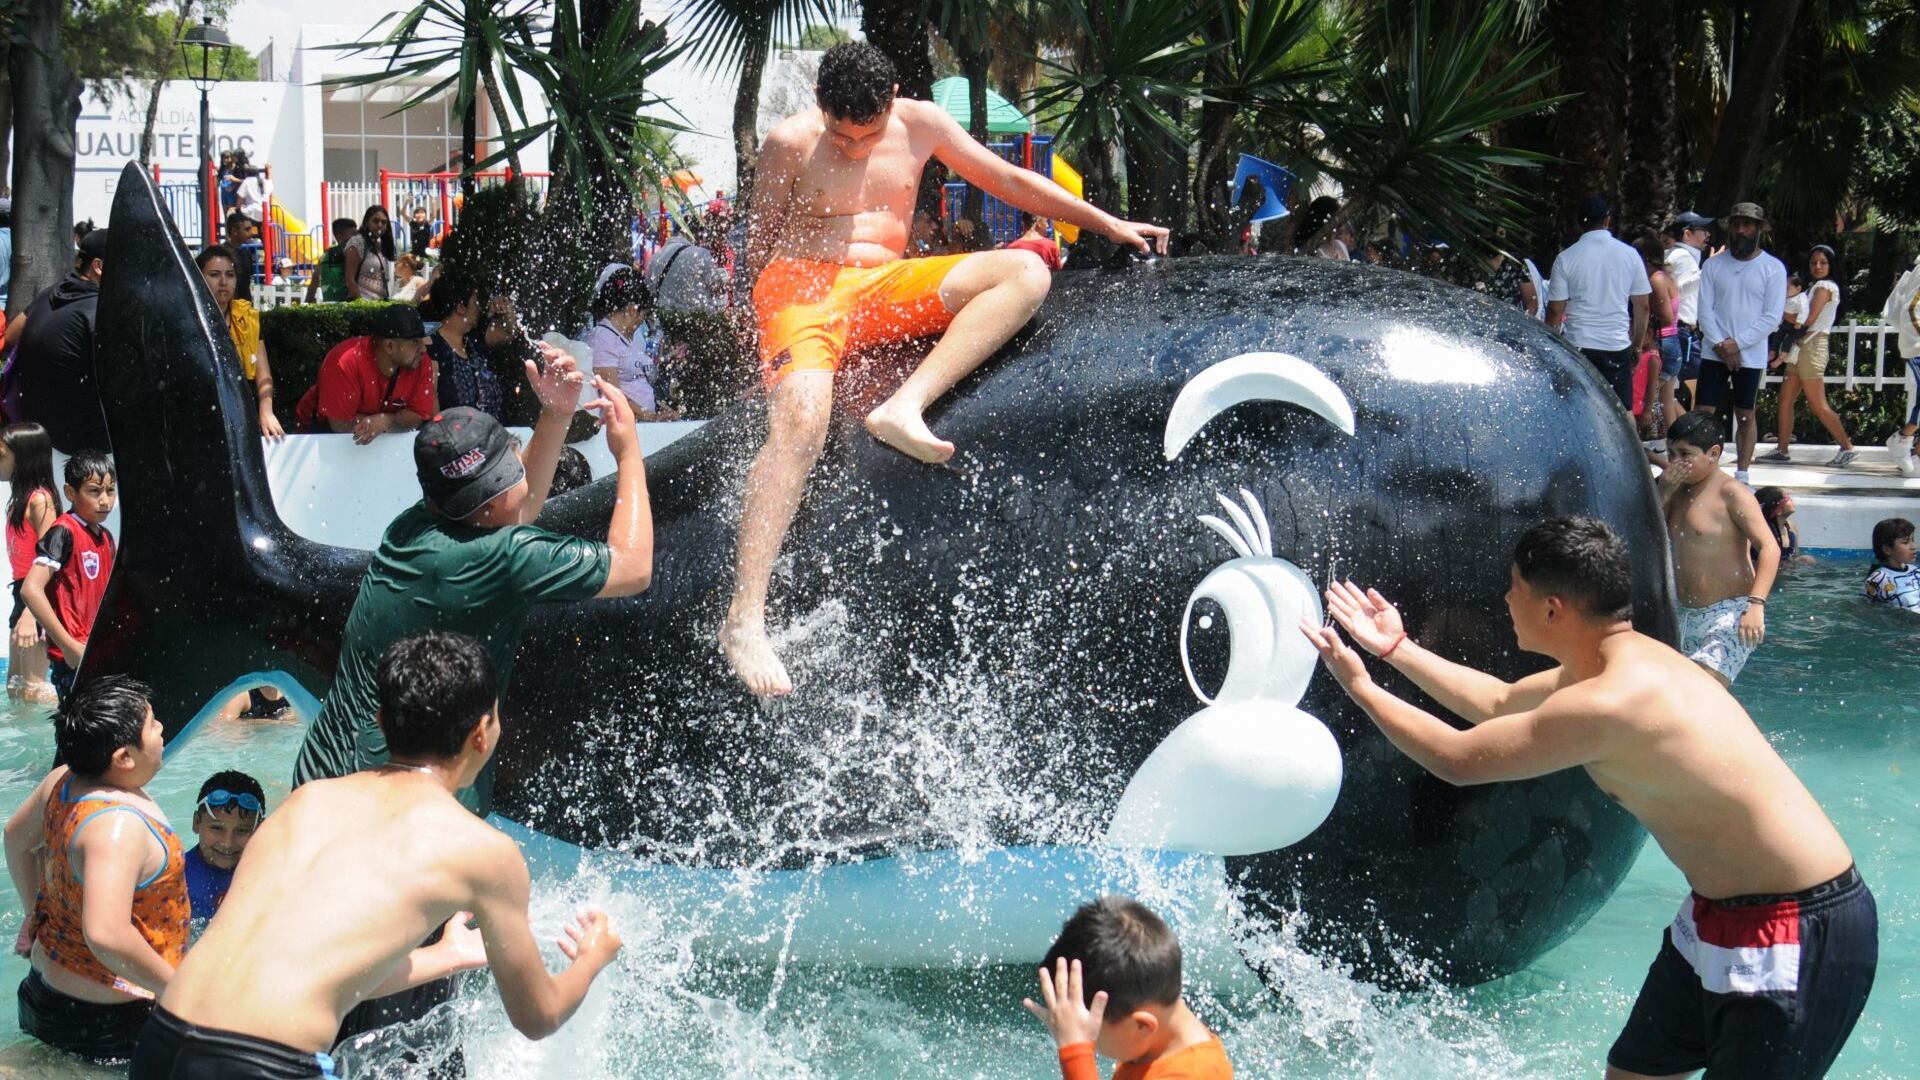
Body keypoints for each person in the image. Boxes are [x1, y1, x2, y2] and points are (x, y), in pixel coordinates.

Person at [1302, 517, 1876, 1080]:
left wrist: (1359, 688)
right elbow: (1501, 704)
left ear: (1553, 610)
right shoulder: (1617, 664)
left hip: (1796, 926)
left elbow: (1457, 759)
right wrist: (1396, 649)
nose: (1505, 598)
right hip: (1719, 913)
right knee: (1634, 1072)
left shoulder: (1613, 700)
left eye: (1515, 588)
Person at [723, 40, 1167, 696]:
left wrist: (1105, 223)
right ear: (820, 107)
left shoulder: (923, 122)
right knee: (803, 423)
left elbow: (1009, 181)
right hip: (802, 289)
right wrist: (754, 333)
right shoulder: (789, 141)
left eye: (865, 135)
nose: (851, 148)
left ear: (893, 98)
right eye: (840, 137)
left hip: (884, 285)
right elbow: (759, 240)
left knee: (1023, 269)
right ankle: (743, 620)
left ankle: (904, 404)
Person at [135, 632, 623, 1078]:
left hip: (163, 1037)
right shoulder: (483, 849)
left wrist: (447, 955)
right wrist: (591, 959)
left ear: (381, 721)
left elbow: (320, 969)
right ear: (483, 732)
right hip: (266, 1063)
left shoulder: (309, 801)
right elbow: (537, 1017)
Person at [290, 353, 653, 817]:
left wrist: (557, 412)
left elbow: (519, 511)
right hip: (395, 807)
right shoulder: (502, 556)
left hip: (324, 785)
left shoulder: (413, 527)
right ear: (489, 502)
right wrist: (628, 452)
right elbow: (632, 566)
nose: (522, 475)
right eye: (512, 469)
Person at [4, 677, 188, 1063]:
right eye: (152, 724)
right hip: (104, 1027)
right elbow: (105, 934)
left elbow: (15, 838)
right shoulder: (116, 826)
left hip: (44, 993)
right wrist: (180, 991)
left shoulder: (63, 781)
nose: (162, 730)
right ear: (123, 757)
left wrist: (32, 911)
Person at [1022, 896, 1232, 1080]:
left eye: (1093, 1038)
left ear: (1142, 1026)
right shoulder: (1157, 1042)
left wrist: (1075, 1051)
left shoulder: (1191, 1074)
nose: (1092, 1045)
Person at [1659, 413, 1779, 685]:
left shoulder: (1731, 493)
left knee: (1701, 693)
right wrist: (1663, 493)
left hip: (1729, 614)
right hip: (1682, 614)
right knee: (1679, 702)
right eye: (1671, 453)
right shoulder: (1672, 490)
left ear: (1713, 453)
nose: (1675, 462)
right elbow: (1647, 536)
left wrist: (1756, 605)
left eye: (1685, 454)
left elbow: (1770, 548)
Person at [1697, 202, 1788, 484]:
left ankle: (1743, 472)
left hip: (1749, 353)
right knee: (1704, 412)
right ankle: (1702, 468)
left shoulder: (1773, 268)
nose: (1740, 230)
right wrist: (1721, 344)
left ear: (1759, 229)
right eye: (1736, 224)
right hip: (1715, 351)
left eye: (1747, 225)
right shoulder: (1713, 265)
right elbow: (1704, 311)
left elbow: (1772, 317)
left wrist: (1737, 344)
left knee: (1746, 414)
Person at [20, 451, 118, 705]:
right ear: (70, 493)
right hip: (73, 659)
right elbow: (30, 589)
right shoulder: (63, 532)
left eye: (110, 491)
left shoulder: (106, 538)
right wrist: (68, 647)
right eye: (95, 491)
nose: (105, 500)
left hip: (98, 654)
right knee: (78, 734)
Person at [1546, 197, 1652, 410]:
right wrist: (1637, 346)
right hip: (1615, 344)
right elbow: (1643, 307)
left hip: (1578, 344)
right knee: (1621, 411)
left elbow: (1556, 311)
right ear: (1607, 220)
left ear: (1580, 224)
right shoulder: (1629, 255)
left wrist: (1551, 345)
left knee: (1578, 408)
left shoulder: (1566, 258)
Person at [14, 229, 111, 454]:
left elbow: (10, 335)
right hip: (86, 450)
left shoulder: (50, 294)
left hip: (39, 434)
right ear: (99, 266)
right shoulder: (102, 311)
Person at [1763, 245, 1857, 466]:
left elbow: (1807, 320)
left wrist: (1774, 309)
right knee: (1785, 399)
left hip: (1812, 347)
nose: (1817, 266)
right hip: (1800, 347)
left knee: (1817, 404)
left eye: (1823, 262)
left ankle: (1847, 447)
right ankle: (1782, 449)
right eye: (1814, 262)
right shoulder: (1815, 286)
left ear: (1830, 265)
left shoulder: (1825, 286)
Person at [292, 304, 436, 441]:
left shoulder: (420, 361)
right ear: (390, 346)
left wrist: (385, 421)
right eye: (415, 342)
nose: (423, 349)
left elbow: (417, 416)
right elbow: (340, 424)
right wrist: (386, 421)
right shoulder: (346, 361)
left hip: (373, 434)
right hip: (316, 434)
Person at [197, 245, 287, 440]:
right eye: (214, 275)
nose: (223, 282)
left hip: (238, 408)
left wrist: (266, 410)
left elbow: (263, 373)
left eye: (230, 275)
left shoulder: (246, 317)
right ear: (198, 279)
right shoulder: (189, 320)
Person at [2, 422, 61, 704]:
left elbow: (51, 557)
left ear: (24, 459)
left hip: (39, 596)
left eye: (2, 456)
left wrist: (31, 612)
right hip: (22, 593)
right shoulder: (18, 502)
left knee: (35, 689)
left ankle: (72, 721)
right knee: (14, 686)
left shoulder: (40, 502)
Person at [584, 265, 677, 421]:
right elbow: (611, 392)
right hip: (621, 426)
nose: (641, 322)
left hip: (640, 423)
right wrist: (651, 416)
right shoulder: (603, 338)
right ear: (633, 310)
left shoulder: (626, 337)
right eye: (643, 315)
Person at [183, 771, 265, 928]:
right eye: (217, 828)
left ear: (260, 829)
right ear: (196, 822)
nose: (228, 843)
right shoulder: (176, 877)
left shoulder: (267, 875)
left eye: (242, 831)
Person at [421, 281, 507, 424]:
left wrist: (506, 310)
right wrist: (446, 436)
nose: (480, 308)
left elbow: (508, 333)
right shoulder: (432, 345)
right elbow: (430, 401)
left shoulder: (473, 340)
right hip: (457, 438)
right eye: (476, 303)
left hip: (493, 435)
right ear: (461, 308)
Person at [1632, 233, 1680, 451]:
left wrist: (1643, 317)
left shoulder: (1656, 280)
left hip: (1664, 343)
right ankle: (1681, 443)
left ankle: (1672, 448)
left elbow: (1667, 317)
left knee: (1656, 399)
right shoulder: (1662, 277)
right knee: (1667, 401)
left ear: (1647, 259)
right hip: (1670, 342)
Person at [1665, 211, 1713, 408]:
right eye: (1703, 231)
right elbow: (1679, 290)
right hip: (1682, 331)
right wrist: (1709, 268)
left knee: (1669, 389)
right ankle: (1695, 432)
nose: (1707, 236)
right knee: (1699, 387)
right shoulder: (1683, 257)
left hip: (1677, 330)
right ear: (1687, 233)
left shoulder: (1672, 254)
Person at [1863, 517, 1919, 611]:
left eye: (1912, 540)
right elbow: (1866, 608)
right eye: (1905, 542)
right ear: (1887, 549)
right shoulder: (1878, 580)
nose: (1913, 547)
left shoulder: (1916, 572)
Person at [343, 205, 395, 301]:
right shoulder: (357, 243)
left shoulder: (379, 245)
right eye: (375, 221)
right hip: (363, 307)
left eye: (384, 222)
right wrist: (363, 307)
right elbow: (349, 279)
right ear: (367, 222)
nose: (380, 225)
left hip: (379, 305)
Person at [1753, 486, 1813, 567]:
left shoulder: (1791, 527)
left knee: (1808, 559)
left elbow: (1795, 555)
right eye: (1786, 497)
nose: (1791, 498)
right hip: (1768, 570)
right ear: (1778, 510)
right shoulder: (1764, 531)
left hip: (1783, 570)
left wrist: (1797, 560)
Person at [305, 218, 358, 305]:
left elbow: (313, 284)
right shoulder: (351, 255)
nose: (356, 239)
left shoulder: (325, 256)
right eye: (353, 235)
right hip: (349, 308)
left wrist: (306, 305)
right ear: (339, 236)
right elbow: (314, 283)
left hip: (332, 309)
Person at [223, 212, 258, 305]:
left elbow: (246, 284)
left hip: (245, 306)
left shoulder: (246, 253)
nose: (251, 233)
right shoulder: (221, 254)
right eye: (247, 229)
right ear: (234, 231)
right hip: (228, 307)